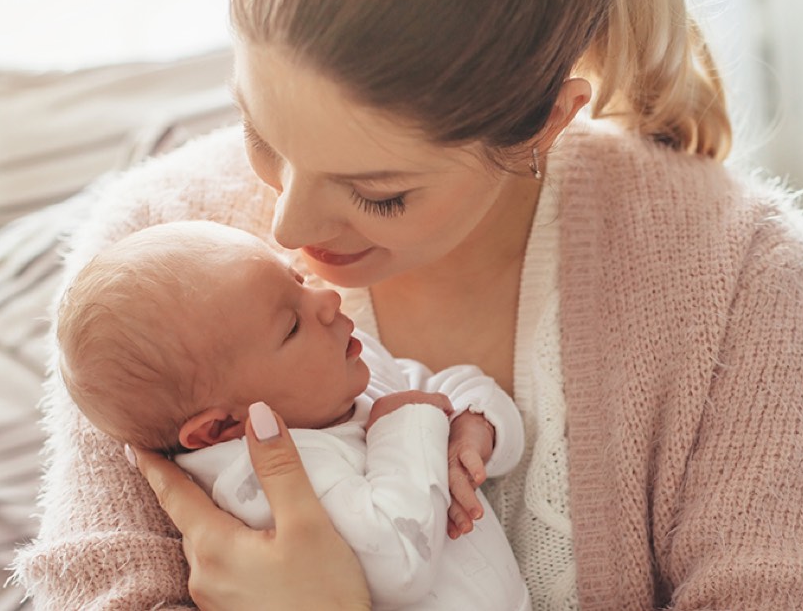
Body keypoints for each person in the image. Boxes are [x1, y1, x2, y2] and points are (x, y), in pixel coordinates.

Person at [14, 0, 803, 609]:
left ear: (547, 121)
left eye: (378, 192)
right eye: (260, 134)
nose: (286, 226)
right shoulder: (152, 258)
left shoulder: (740, 276)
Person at [54, 220, 531, 610]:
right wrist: (404, 425)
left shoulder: (344, 377)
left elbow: (447, 386)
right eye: (291, 326)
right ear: (220, 428)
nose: (328, 301)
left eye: (297, 281)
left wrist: (474, 425)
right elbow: (398, 564)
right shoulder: (261, 482)